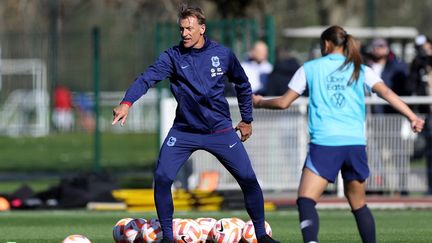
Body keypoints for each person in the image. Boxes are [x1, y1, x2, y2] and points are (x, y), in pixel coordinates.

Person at [112, 5, 279, 243]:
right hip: (184, 132)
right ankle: (168, 238)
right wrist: (127, 103)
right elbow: (146, 78)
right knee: (162, 178)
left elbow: (243, 84)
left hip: (220, 131)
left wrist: (246, 119)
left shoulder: (222, 54)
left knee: (248, 179)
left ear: (202, 28)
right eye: (181, 29)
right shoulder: (172, 57)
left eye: (189, 28)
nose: (185, 33)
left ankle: (261, 236)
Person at [252, 25, 425, 243]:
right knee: (359, 204)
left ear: (326, 44)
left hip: (325, 143)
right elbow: (387, 92)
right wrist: (412, 117)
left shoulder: (310, 68)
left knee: (306, 200)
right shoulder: (359, 68)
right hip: (355, 144)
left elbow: (284, 102)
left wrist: (258, 102)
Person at [408, 34, 432, 194]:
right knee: (429, 152)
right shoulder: (418, 64)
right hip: (427, 112)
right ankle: (430, 187)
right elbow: (410, 84)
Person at [368, 38, 409, 113]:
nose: (378, 48)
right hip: (370, 110)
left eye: (381, 46)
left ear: (387, 48)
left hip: (389, 109)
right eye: (375, 46)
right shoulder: (366, 67)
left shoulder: (396, 66)